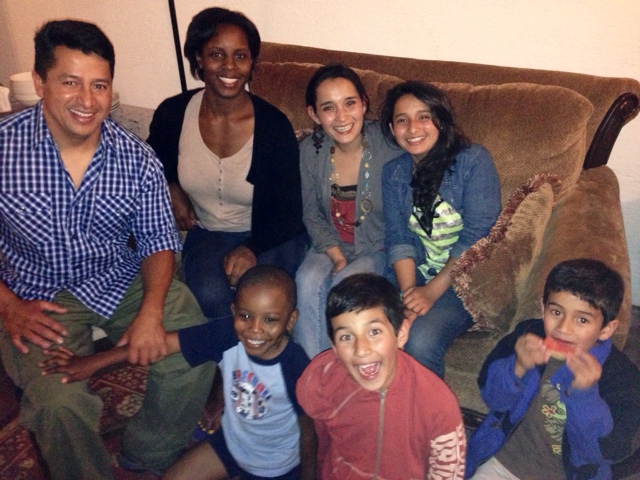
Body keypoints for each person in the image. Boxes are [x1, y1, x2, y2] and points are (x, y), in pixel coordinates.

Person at [0, 20, 215, 480]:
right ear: (39, 82)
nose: (87, 99)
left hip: (118, 278)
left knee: (193, 346)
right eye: (70, 82)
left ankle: (146, 455)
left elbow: (158, 240)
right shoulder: (4, 149)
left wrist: (151, 311)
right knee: (57, 402)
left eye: (99, 85)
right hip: (34, 293)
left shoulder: (135, 158)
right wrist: (8, 305)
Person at [41, 265, 316, 480]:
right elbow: (163, 344)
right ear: (233, 310)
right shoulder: (226, 335)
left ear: (290, 320)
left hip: (275, 467)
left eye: (270, 320)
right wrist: (92, 362)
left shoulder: (296, 368)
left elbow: (310, 434)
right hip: (231, 445)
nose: (255, 329)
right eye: (245, 316)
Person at [147, 7, 307, 321]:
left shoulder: (274, 126)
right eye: (217, 54)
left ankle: (266, 353)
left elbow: (290, 213)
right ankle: (232, 354)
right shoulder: (173, 113)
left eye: (240, 56)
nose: (229, 66)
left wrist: (251, 247)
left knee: (260, 299)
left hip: (270, 235)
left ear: (252, 63)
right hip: (210, 233)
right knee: (210, 294)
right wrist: (170, 185)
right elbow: (148, 162)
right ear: (199, 58)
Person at [466, 259, 640, 479]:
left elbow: (602, 452)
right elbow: (493, 399)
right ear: (543, 308)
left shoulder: (622, 378)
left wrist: (584, 395)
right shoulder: (528, 335)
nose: (563, 328)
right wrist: (517, 368)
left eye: (582, 319)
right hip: (504, 461)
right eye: (556, 312)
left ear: (606, 329)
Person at [379, 81, 502, 378]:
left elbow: (477, 237)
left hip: (466, 279)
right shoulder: (393, 173)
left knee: (420, 339)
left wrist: (432, 292)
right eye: (402, 120)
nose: (413, 128)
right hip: (417, 270)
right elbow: (398, 236)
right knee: (369, 322)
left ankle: (430, 408)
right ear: (392, 129)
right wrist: (410, 294)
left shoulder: (473, 161)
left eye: (424, 116)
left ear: (441, 120)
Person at [296, 273, 466, 479]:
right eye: (346, 337)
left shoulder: (437, 404)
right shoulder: (322, 382)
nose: (361, 349)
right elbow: (321, 445)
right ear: (334, 347)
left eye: (374, 332)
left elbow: (446, 473)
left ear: (401, 334)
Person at [294, 64, 399, 358]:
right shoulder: (310, 151)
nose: (341, 117)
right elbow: (310, 213)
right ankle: (314, 372)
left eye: (350, 103)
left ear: (364, 103)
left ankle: (346, 372)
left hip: (377, 247)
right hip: (329, 242)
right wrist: (336, 255)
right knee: (306, 279)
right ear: (314, 114)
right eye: (328, 108)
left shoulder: (389, 143)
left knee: (346, 285)